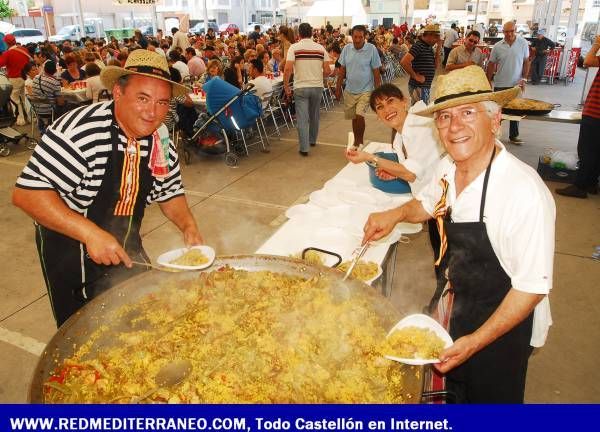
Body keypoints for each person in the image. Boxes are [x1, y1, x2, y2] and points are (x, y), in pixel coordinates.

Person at [362, 66, 555, 403]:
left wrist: (476, 341)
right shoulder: (449, 167)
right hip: (458, 304)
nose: (455, 127)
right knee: (454, 393)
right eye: (445, 117)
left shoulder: (523, 192)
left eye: (468, 113)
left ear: (495, 121)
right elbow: (424, 203)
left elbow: (531, 288)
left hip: (502, 326)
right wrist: (393, 215)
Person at [12, 49, 204, 327]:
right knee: (84, 329)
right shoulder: (79, 130)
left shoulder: (160, 140)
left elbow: (169, 191)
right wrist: (91, 233)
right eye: (143, 98)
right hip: (70, 248)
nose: (153, 113)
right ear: (117, 92)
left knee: (143, 315)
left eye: (162, 102)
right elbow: (27, 194)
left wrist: (189, 228)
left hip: (126, 241)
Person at [345, 83, 442, 195]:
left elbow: (411, 174)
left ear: (404, 102)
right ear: (378, 116)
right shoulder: (398, 139)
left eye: (390, 101)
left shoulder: (422, 128)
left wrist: (370, 157)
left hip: (440, 199)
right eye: (380, 107)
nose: (387, 110)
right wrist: (396, 173)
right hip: (426, 197)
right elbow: (416, 169)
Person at [556, 35, 600, 198]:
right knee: (596, 151)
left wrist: (596, 45)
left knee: (586, 150)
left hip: (595, 112)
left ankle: (580, 186)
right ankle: (591, 184)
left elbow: (587, 61)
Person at [284, 22, 331, 156]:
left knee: (302, 118)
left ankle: (304, 148)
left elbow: (287, 69)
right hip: (317, 87)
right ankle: (312, 140)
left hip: (301, 87)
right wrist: (320, 76)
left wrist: (286, 86)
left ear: (299, 34)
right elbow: (327, 70)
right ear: (311, 33)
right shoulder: (321, 48)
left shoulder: (294, 48)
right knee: (314, 115)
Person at [335, 25, 382, 148]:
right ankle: (357, 140)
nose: (357, 40)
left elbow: (376, 72)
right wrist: (338, 88)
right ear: (351, 36)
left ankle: (359, 142)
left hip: (366, 89)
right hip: (350, 89)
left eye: (360, 37)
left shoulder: (371, 49)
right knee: (354, 118)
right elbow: (342, 70)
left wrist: (378, 92)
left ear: (365, 37)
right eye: (355, 37)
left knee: (360, 115)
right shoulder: (346, 49)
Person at [486, 21, 530, 145]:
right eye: (506, 31)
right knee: (497, 111)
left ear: (515, 29)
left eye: (511, 31)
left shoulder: (523, 43)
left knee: (515, 111)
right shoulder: (497, 46)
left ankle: (514, 136)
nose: (509, 34)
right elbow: (491, 64)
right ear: (502, 32)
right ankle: (493, 134)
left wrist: (525, 78)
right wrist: (488, 80)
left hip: (517, 84)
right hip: (500, 83)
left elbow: (527, 61)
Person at [400, 24, 441, 106]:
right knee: (421, 112)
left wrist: (438, 50)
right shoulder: (418, 46)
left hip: (424, 86)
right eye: (436, 37)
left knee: (419, 111)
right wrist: (415, 76)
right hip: (419, 86)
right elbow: (404, 62)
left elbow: (435, 66)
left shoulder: (428, 47)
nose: (437, 40)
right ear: (429, 35)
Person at [0, 34, 32, 125]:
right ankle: (30, 117)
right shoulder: (24, 49)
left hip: (14, 79)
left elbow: (1, 63)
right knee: (24, 98)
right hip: (25, 77)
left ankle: (20, 119)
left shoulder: (7, 53)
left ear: (6, 43)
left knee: (15, 99)